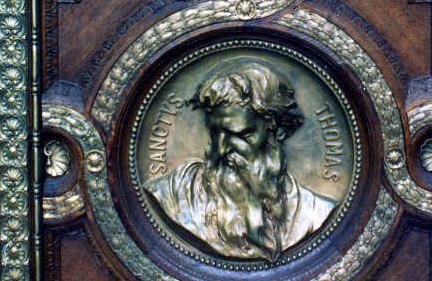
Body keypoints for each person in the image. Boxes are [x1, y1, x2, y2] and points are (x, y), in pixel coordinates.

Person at [144, 59, 336, 261]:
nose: (221, 149)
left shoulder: (313, 211)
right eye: (215, 132)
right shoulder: (173, 193)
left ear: (278, 129)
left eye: (241, 135)